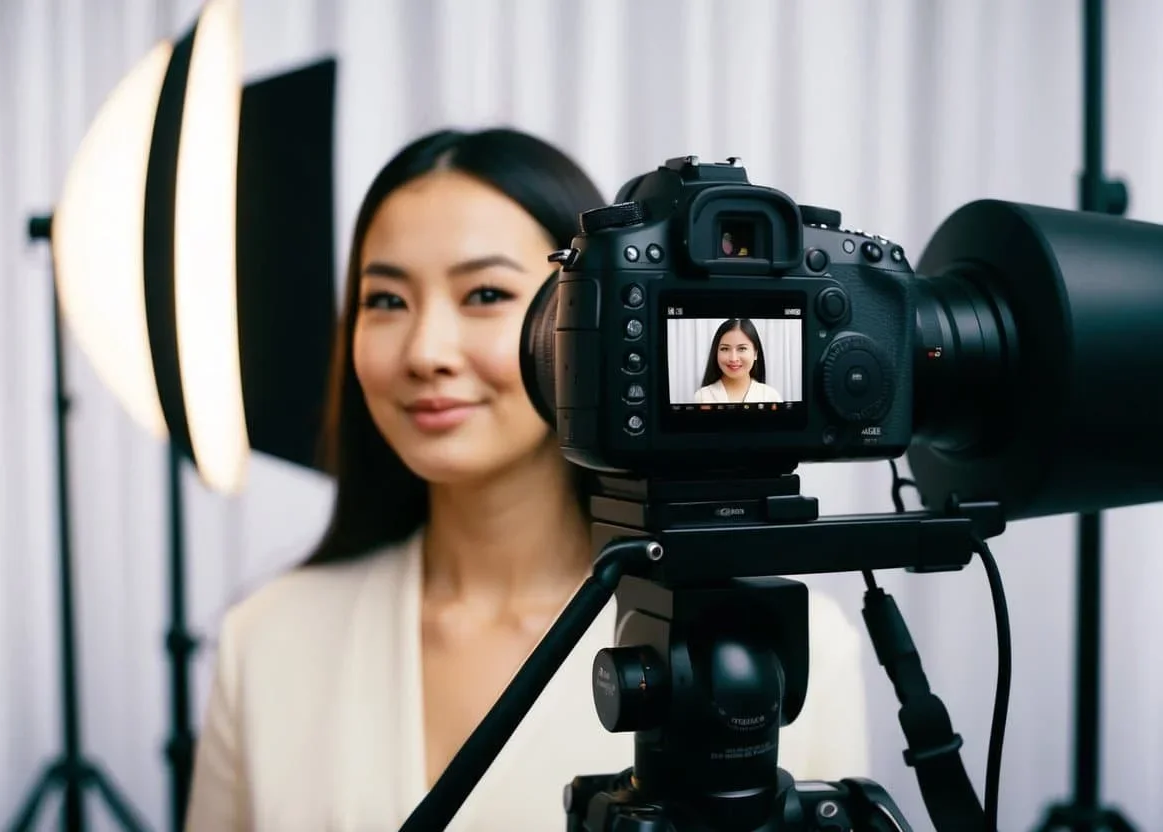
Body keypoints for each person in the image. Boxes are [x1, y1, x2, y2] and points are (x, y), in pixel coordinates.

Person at [184, 127, 871, 832]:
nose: (425, 352)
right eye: (385, 301)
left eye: (483, 292)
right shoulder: (266, 640)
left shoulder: (771, 654)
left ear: (593, 319)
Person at [693, 318, 783, 403]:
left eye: (742, 348)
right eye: (725, 349)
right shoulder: (702, 397)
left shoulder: (771, 397)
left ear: (755, 353)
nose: (733, 358)